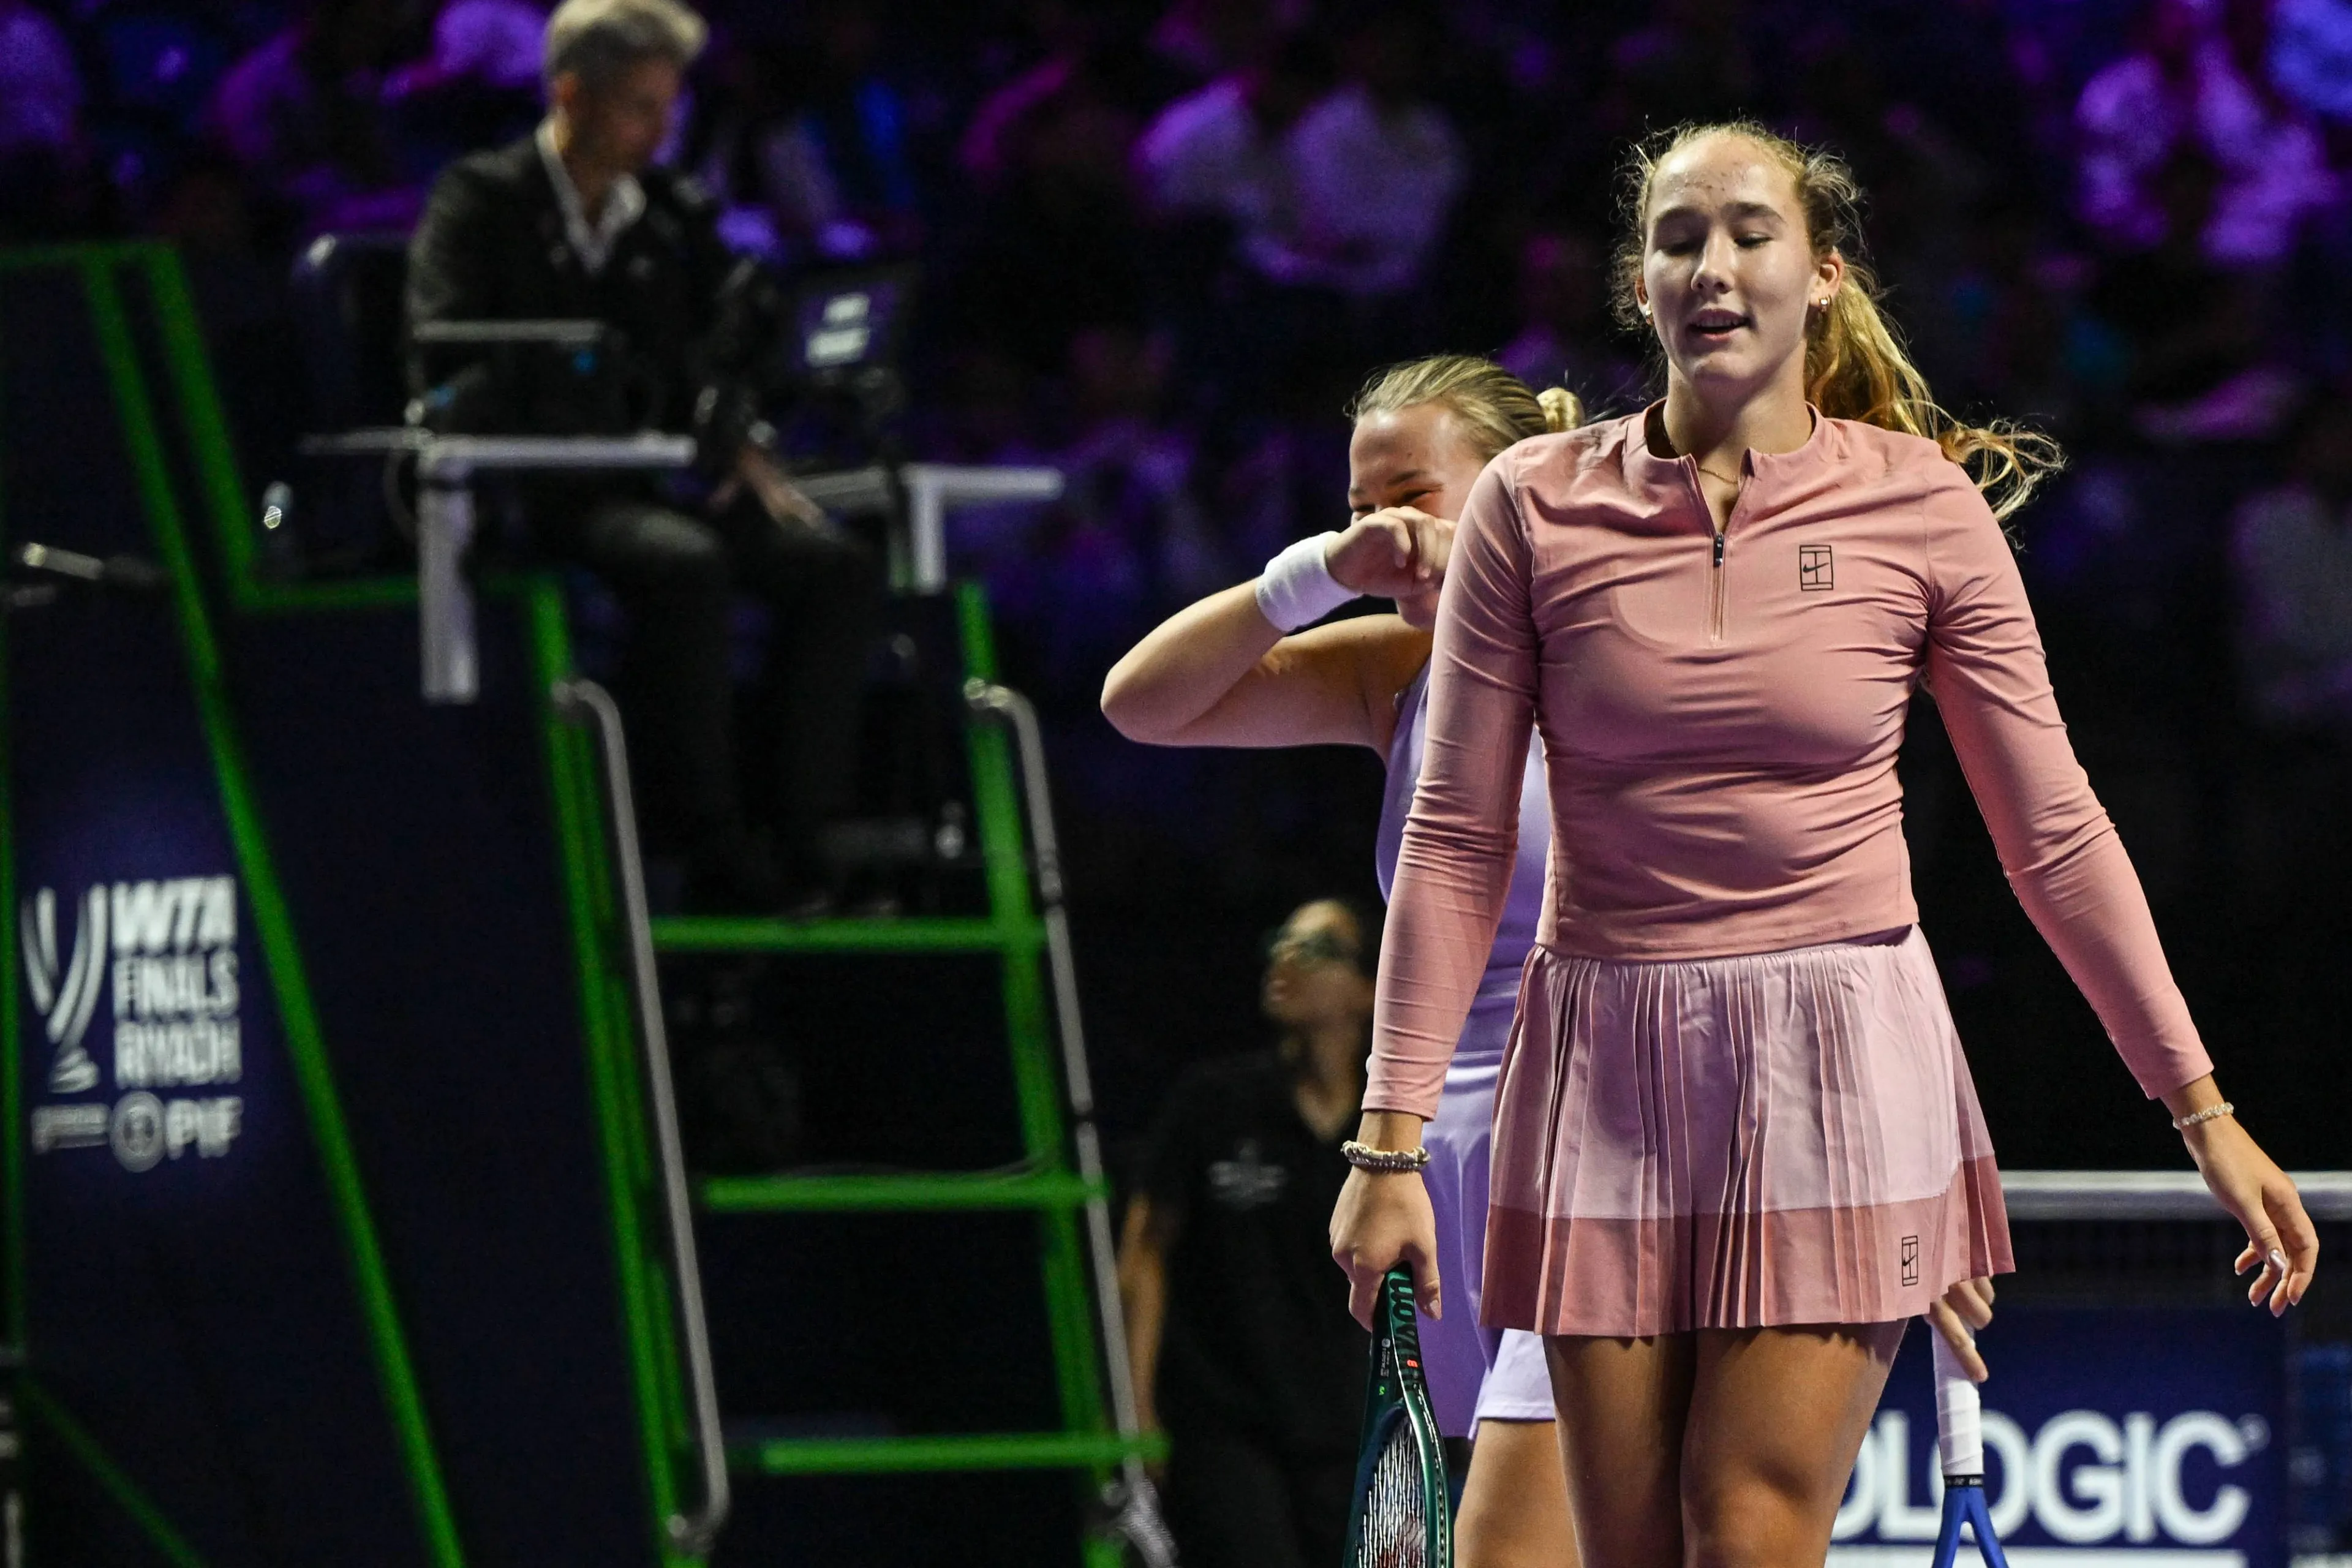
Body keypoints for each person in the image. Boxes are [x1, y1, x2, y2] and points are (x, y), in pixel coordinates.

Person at [1327, 119, 2319, 1568]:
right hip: (1598, 1057)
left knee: (1744, 1526)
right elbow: (1455, 835)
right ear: (1638, 283)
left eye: (1747, 231)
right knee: (1634, 1548)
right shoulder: (1531, 512)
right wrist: (1386, 1141)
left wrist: (2200, 1109)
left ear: (1822, 276)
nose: (1709, 264)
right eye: (1676, 236)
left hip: (1836, 1051)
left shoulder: (1916, 507)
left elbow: (2051, 833)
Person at [1104, 355, 1578, 1568]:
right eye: (1358, 507)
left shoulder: (1624, 635)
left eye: (1410, 495)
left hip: (1603, 1136)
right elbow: (1141, 704)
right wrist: (1319, 573)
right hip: (1443, 1158)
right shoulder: (1392, 667)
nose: (1383, 530)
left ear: (1516, 483)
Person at [405, 0, 880, 913]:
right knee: (685, 567)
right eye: (640, 108)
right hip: (540, 491)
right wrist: (568, 388)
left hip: (663, 478)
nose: (663, 132)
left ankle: (807, 834)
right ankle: (703, 844)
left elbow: (730, 340)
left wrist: (736, 435)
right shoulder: (482, 201)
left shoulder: (668, 215)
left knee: (834, 568)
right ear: (572, 96)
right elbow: (442, 355)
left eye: (671, 108)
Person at [1117, 897, 1379, 1568]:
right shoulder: (1212, 1102)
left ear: (1368, 988)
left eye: (1315, 950)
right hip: (1225, 1427)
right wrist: (1134, 1411)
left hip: (1351, 1428)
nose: (1284, 961)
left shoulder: (1394, 1128)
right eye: (1279, 943)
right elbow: (1146, 1252)